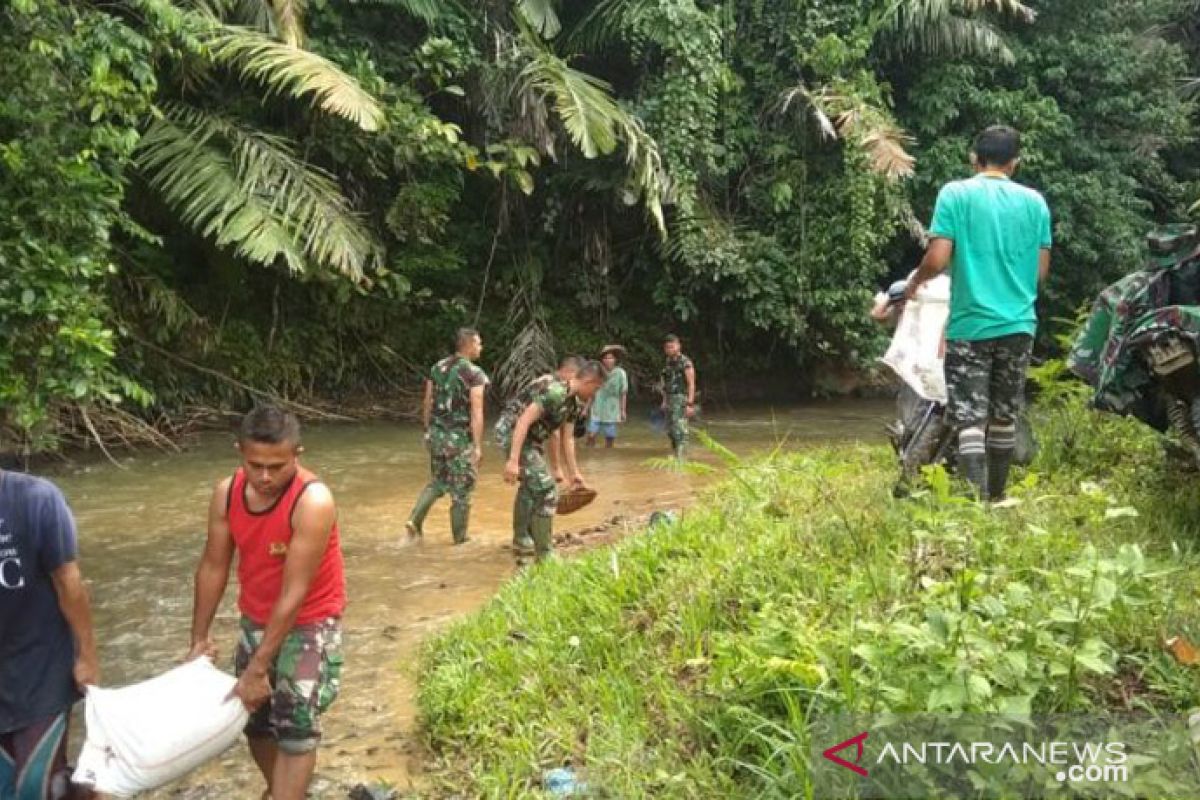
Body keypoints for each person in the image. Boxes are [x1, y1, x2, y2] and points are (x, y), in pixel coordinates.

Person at [187, 406, 345, 800]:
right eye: (254, 464)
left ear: (297, 454)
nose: (265, 477)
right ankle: (282, 791)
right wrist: (198, 639)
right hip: (255, 618)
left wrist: (258, 667)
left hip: (310, 621)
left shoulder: (313, 500)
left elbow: (295, 592)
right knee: (254, 722)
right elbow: (213, 566)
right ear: (239, 451)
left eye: (277, 466)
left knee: (296, 725)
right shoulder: (227, 493)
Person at [906, 125, 1052, 501]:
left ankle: (976, 503)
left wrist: (914, 284)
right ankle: (997, 498)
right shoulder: (1035, 203)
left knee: (970, 418)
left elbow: (937, 258)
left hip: (970, 324)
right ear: (1014, 163)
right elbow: (1040, 274)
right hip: (1019, 323)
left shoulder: (955, 194)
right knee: (1004, 414)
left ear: (975, 158)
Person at [0, 469, 100, 800]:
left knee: (37, 787)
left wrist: (86, 656)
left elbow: (69, 582)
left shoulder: (36, 499)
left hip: (40, 667)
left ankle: (82, 788)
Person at [498, 360, 607, 561]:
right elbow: (522, 421)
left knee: (531, 487)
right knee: (547, 491)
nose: (596, 394)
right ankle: (544, 553)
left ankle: (522, 538)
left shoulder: (573, 404)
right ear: (590, 381)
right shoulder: (555, 393)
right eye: (597, 388)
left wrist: (574, 474)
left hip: (532, 438)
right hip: (512, 433)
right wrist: (513, 461)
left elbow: (567, 439)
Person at [406, 328, 489, 545]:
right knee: (462, 491)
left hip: (436, 435)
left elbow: (428, 401)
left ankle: (414, 520)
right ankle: (460, 540)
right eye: (479, 343)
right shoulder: (475, 374)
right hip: (458, 439)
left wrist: (427, 430)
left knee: (438, 482)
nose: (481, 347)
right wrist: (478, 447)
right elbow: (477, 413)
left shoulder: (438, 367)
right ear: (469, 345)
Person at [660, 335, 696, 460]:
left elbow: (691, 384)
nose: (670, 349)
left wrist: (690, 404)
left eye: (672, 346)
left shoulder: (686, 362)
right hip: (670, 399)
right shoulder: (668, 362)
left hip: (681, 399)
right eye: (667, 347)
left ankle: (682, 457)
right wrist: (664, 401)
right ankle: (676, 452)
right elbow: (665, 384)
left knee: (680, 429)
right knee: (670, 429)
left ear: (678, 346)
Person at [586, 345, 628, 448]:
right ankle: (591, 455)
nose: (608, 360)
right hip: (596, 408)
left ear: (615, 359)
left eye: (610, 358)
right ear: (602, 360)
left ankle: (608, 456)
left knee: (610, 438)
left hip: (612, 409)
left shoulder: (620, 373)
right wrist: (585, 408)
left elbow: (623, 393)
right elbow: (591, 392)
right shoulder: (596, 373)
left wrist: (623, 410)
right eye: (605, 358)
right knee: (591, 435)